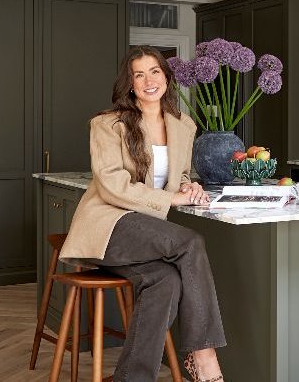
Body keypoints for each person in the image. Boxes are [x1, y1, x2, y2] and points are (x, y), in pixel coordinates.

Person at [59, 45, 226, 382]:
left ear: (166, 76)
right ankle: (204, 357)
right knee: (190, 242)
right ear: (130, 84)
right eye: (139, 74)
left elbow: (176, 175)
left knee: (166, 280)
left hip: (145, 231)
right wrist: (173, 201)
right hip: (109, 225)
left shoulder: (183, 124)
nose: (149, 80)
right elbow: (113, 187)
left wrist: (189, 187)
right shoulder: (108, 124)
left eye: (155, 71)